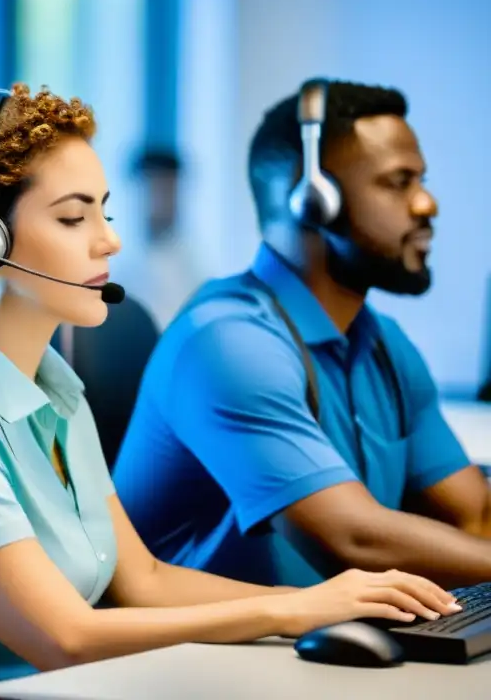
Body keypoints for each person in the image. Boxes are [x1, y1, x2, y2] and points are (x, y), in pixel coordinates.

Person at [0, 83, 459, 686]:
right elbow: (64, 637)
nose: (111, 240)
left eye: (104, 211)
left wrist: (319, 604)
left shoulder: (55, 393)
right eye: (74, 219)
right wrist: (290, 615)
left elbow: (145, 580)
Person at [113, 79, 491, 590]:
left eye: (421, 180)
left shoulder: (383, 344)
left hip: (309, 646)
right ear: (314, 201)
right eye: (398, 182)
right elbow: (354, 541)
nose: (427, 204)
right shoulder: (227, 342)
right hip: (192, 659)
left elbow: (473, 515)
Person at [119, 147, 201, 327]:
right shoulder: (116, 262)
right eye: (155, 189)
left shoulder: (193, 269)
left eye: (169, 190)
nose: (163, 200)